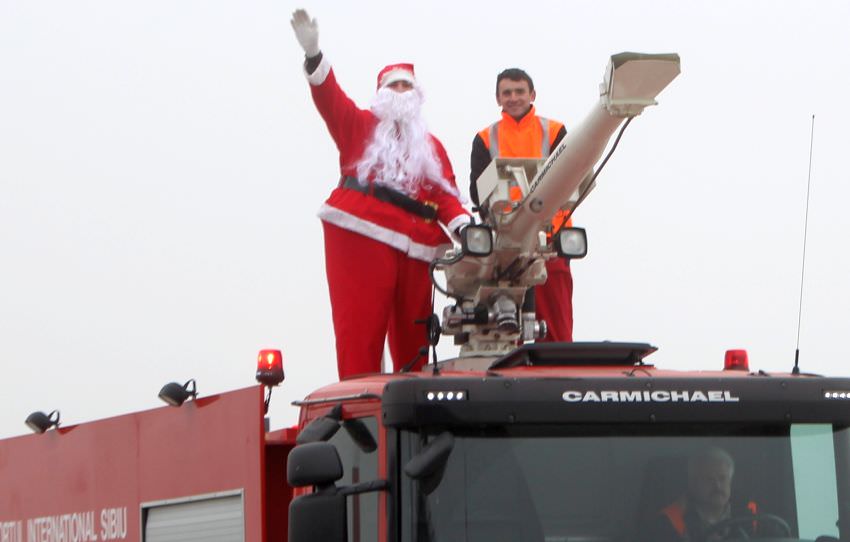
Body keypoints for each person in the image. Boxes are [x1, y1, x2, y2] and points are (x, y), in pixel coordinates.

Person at [290, 9, 471, 379]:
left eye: (407, 86)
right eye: (394, 86)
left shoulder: (430, 146)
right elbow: (330, 100)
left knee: (415, 336)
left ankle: (416, 411)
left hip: (417, 243)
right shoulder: (359, 126)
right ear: (381, 94)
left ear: (417, 95)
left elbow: (446, 195)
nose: (401, 93)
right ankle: (359, 404)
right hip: (362, 230)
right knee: (361, 328)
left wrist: (466, 229)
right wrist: (314, 56)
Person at [470, 68, 574, 342]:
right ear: (498, 98)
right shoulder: (485, 138)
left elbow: (574, 179)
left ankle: (558, 374)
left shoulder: (553, 131)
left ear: (532, 95)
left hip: (550, 241)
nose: (513, 97)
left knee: (555, 326)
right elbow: (477, 192)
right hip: (506, 246)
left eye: (519, 91)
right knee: (504, 328)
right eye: (507, 93)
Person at [644, 447, 759, 542]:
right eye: (708, 479)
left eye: (722, 478)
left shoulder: (750, 513)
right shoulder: (671, 520)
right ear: (693, 484)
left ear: (730, 481)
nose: (717, 486)